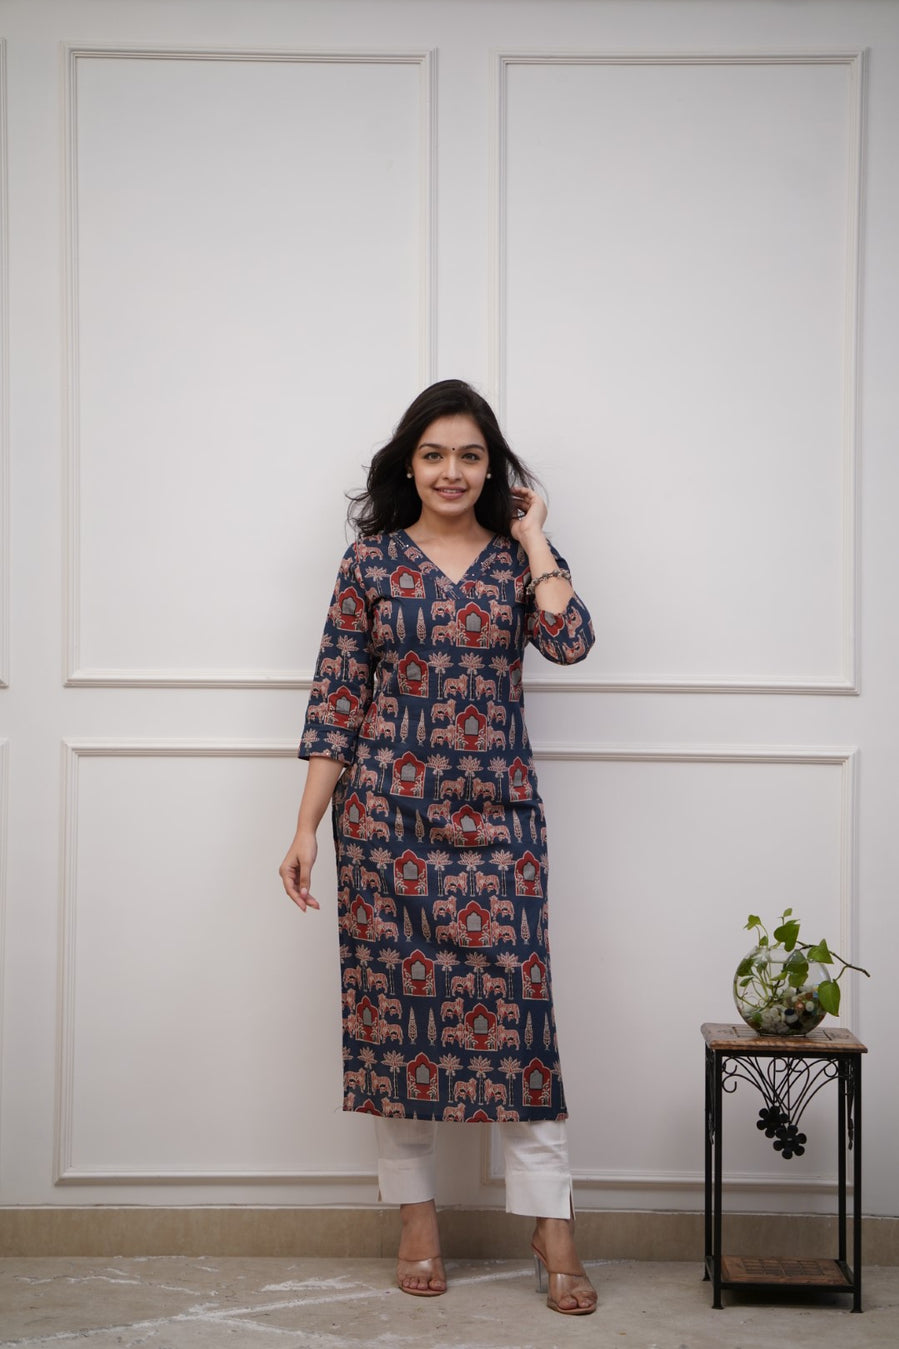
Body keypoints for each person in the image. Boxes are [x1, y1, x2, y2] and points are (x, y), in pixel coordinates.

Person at [279, 379, 597, 1314]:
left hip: (500, 822)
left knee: (522, 1024)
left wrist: (534, 537)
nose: (450, 471)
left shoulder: (517, 561)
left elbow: (570, 640)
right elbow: (338, 698)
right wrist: (305, 827)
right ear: (408, 465)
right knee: (398, 1023)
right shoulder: (370, 563)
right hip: (387, 825)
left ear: (492, 467)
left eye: (468, 455)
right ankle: (416, 1218)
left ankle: (552, 1223)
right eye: (433, 454)